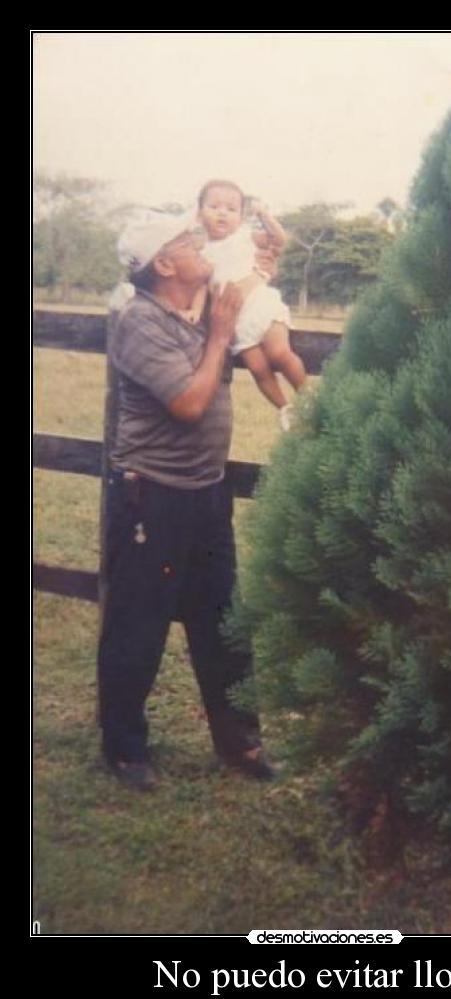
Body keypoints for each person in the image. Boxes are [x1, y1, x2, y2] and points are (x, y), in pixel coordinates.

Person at [97, 209, 274, 790]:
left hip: (205, 493)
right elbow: (190, 405)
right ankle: (125, 751)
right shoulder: (139, 322)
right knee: (137, 626)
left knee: (224, 623)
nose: (202, 244)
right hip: (153, 497)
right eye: (187, 241)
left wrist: (260, 270)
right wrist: (220, 336)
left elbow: (243, 283)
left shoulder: (198, 308)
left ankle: (240, 742)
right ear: (164, 264)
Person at [188, 179, 307, 431]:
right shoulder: (200, 253)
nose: (222, 212)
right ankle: (285, 408)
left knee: (279, 354)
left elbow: (279, 239)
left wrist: (263, 214)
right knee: (258, 369)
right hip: (235, 321)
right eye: (214, 206)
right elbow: (201, 287)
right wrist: (196, 311)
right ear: (199, 214)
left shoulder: (245, 238)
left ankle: (308, 397)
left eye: (231, 209)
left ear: (241, 217)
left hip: (261, 305)